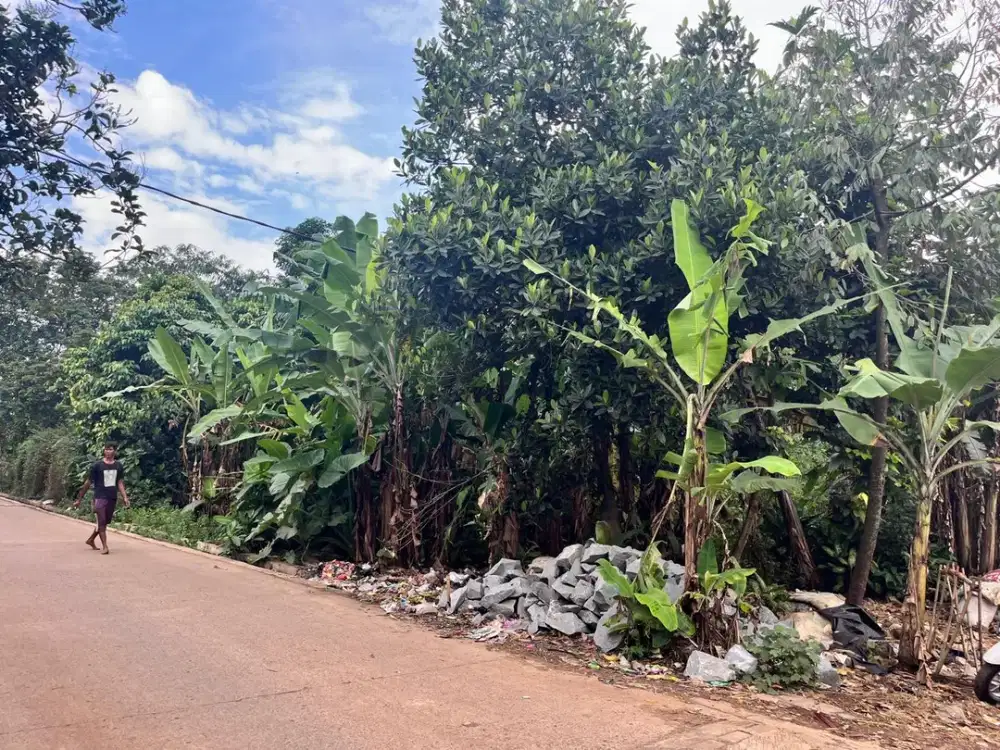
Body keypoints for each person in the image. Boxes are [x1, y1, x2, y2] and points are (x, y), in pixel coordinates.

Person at [74, 442, 130, 554]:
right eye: (106, 449)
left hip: (112, 496)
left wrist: (125, 497)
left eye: (110, 449)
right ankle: (105, 546)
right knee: (102, 521)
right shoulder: (97, 466)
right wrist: (79, 498)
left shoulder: (118, 466)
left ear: (115, 451)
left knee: (104, 522)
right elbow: (88, 482)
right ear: (104, 451)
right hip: (99, 497)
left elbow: (119, 482)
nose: (108, 451)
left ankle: (90, 540)